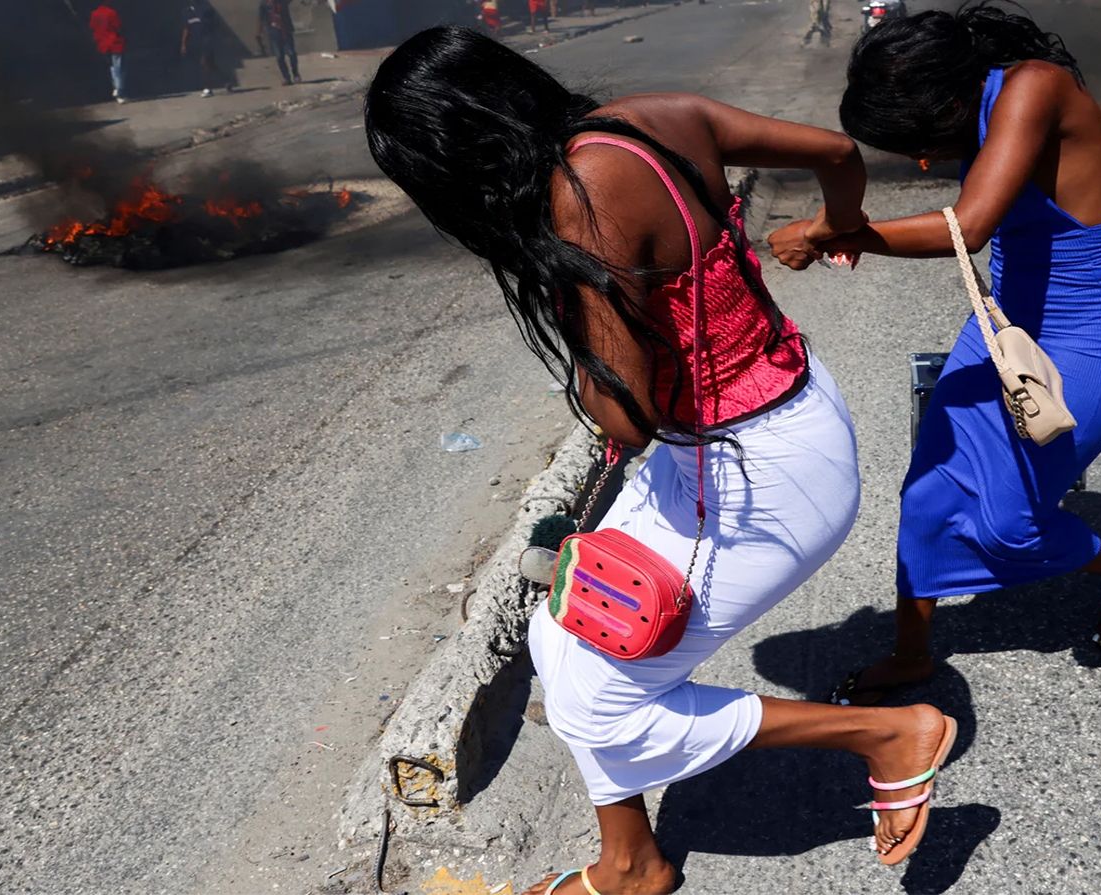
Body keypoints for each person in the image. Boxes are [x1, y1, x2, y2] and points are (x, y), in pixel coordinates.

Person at [364, 26, 958, 892]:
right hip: (767, 428)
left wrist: (562, 286)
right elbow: (836, 149)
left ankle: (886, 732)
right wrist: (837, 224)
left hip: (757, 475)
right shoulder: (647, 118)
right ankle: (631, 860)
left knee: (597, 695)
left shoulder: (582, 205)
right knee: (561, 632)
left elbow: (627, 415)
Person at [769, 3, 1101, 705]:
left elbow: (972, 225)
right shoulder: (980, 103)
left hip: (1099, 335)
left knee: (1005, 523)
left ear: (946, 97)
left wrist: (838, 232)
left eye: (920, 140)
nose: (924, 157)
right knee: (927, 494)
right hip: (1005, 328)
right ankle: (912, 653)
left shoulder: (1033, 86)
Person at [180, 0, 223, 97]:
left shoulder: (207, 9)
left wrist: (215, 38)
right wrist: (183, 44)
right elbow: (186, 28)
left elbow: (215, 25)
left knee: (204, 63)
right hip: (196, 42)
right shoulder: (186, 12)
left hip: (207, 40)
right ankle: (226, 80)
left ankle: (208, 89)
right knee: (210, 64)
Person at [256, 0, 300, 86]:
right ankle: (286, 77)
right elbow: (261, 18)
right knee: (279, 56)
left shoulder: (283, 1)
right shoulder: (264, 4)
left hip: (286, 30)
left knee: (291, 53)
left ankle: (296, 74)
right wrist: (259, 32)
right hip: (274, 32)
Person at [89, 0, 126, 103]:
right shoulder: (112, 13)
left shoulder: (94, 14)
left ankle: (115, 87)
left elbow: (92, 27)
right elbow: (118, 26)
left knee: (111, 67)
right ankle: (119, 90)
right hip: (115, 43)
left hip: (102, 44)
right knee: (118, 68)